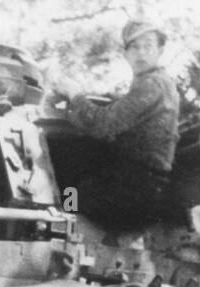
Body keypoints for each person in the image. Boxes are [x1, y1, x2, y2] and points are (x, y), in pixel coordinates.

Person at [50, 20, 180, 231]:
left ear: (160, 50)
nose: (141, 53)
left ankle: (63, 224)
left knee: (69, 185)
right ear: (126, 53)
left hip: (135, 193)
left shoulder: (152, 84)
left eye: (148, 46)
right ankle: (67, 215)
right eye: (134, 47)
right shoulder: (160, 82)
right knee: (78, 156)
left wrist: (74, 95)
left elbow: (103, 125)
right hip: (141, 186)